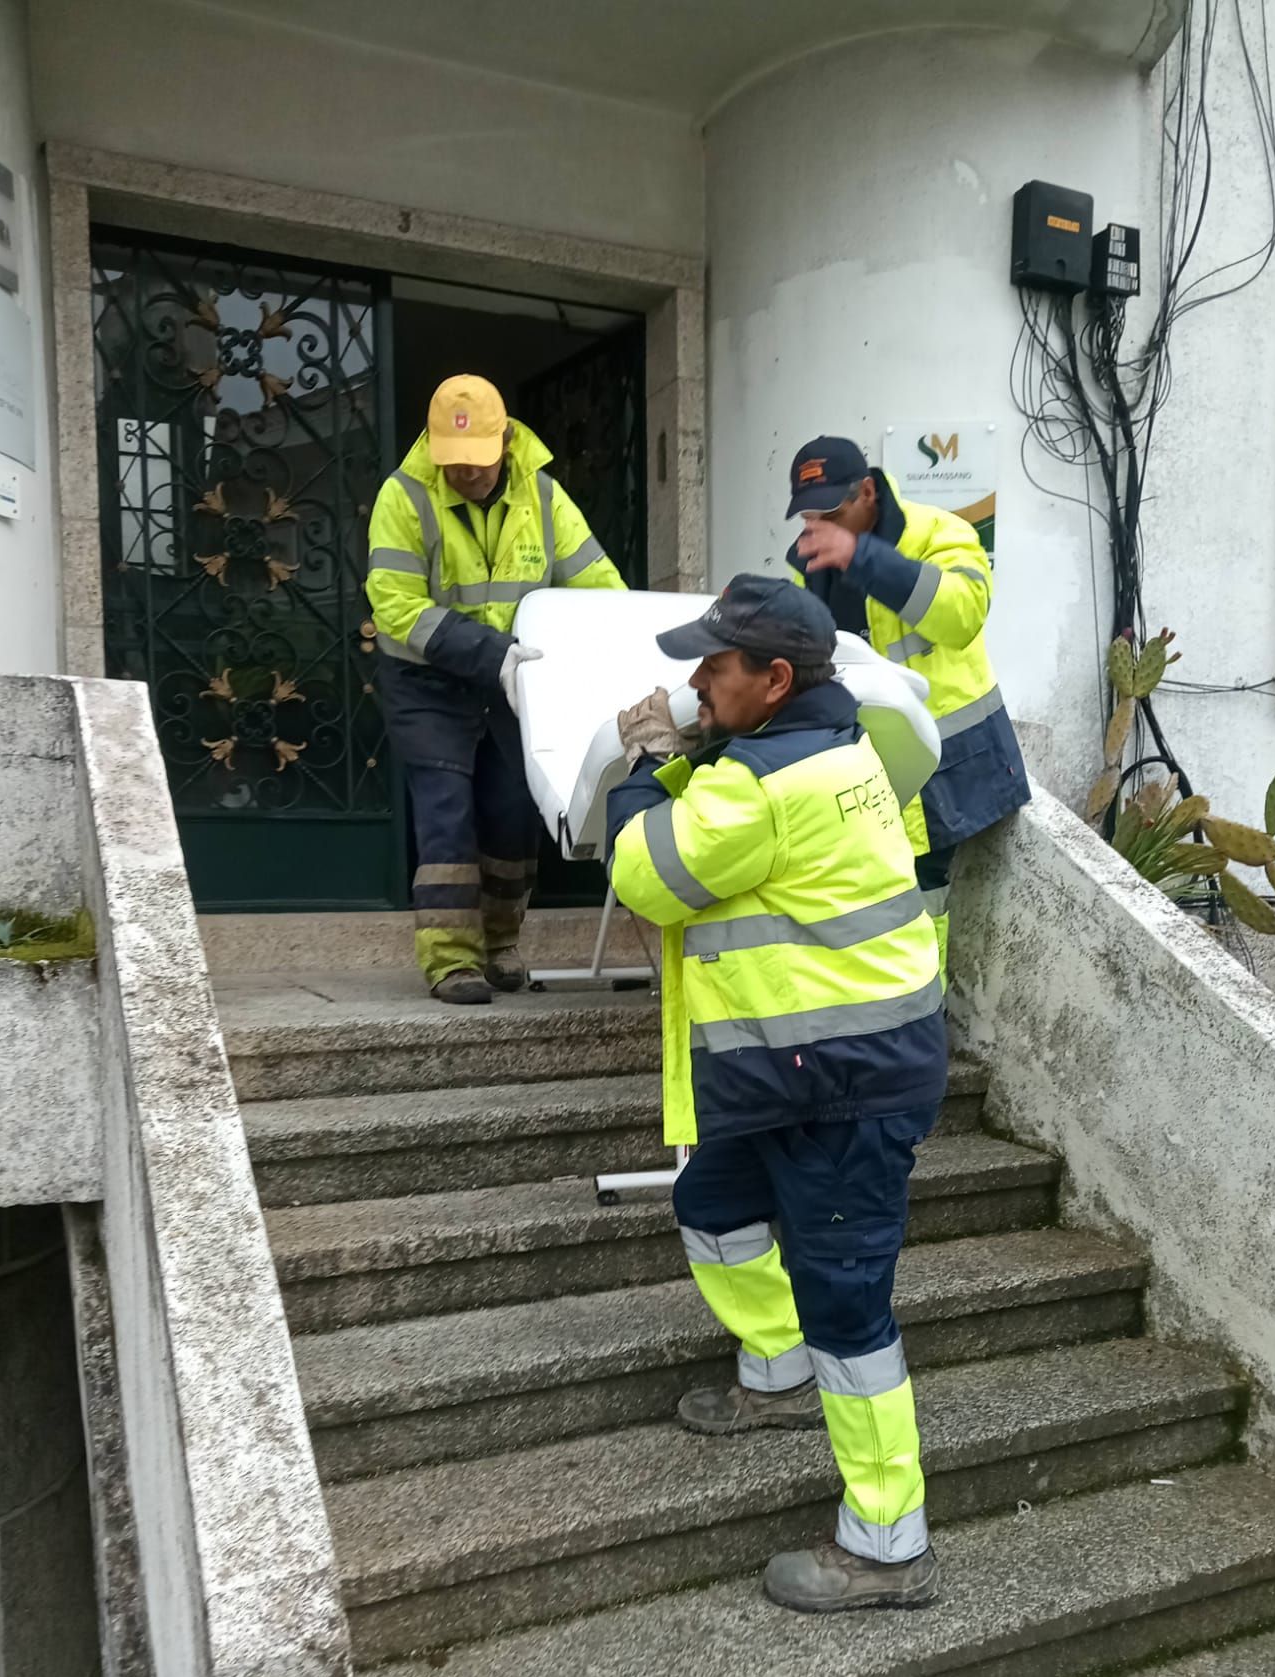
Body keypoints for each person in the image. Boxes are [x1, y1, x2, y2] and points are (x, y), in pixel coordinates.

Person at [607, 575, 947, 1613]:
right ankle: (778, 1373)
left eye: (716, 666)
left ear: (776, 680)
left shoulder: (756, 787)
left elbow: (644, 873)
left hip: (840, 1084)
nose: (698, 682)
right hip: (807, 1067)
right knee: (712, 1205)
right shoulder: (843, 749)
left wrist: (646, 764)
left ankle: (888, 1544)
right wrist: (698, 752)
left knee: (848, 1304)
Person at [366, 374, 625, 1003]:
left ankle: (500, 944)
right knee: (447, 814)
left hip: (515, 679)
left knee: (511, 811)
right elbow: (395, 605)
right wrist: (490, 653)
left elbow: (598, 588)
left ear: (505, 442)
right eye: (454, 461)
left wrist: (612, 646)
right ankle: (451, 961)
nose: (466, 473)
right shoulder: (403, 495)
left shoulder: (544, 495)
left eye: (479, 460)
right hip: (428, 680)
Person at [785, 435, 1030, 976]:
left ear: (868, 493)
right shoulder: (813, 562)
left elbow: (961, 615)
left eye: (832, 511)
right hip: (860, 763)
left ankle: (923, 1007)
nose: (820, 525)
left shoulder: (941, 532)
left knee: (923, 892)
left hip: (947, 761)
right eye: (810, 514)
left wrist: (863, 558)